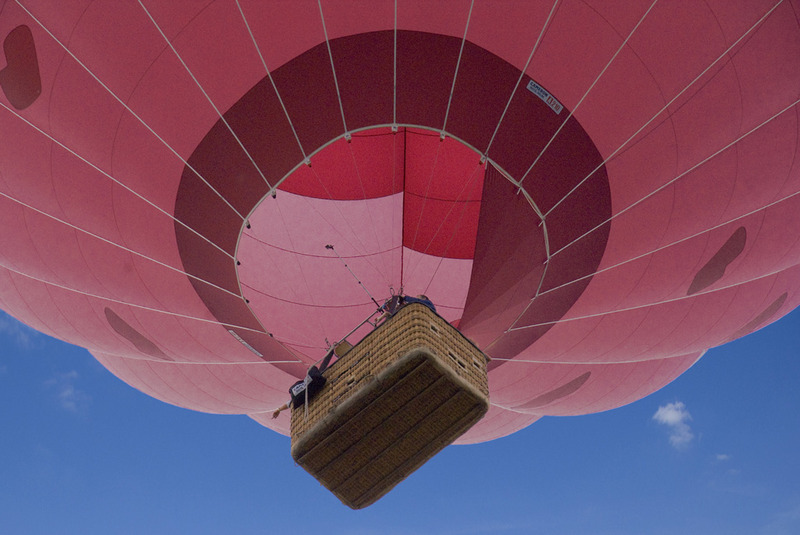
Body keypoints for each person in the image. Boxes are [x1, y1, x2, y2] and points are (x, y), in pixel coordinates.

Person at [271, 348, 334, 418]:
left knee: (319, 373)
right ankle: (331, 351)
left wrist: (279, 410)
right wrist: (279, 410)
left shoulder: (297, 397)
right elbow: (289, 403)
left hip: (313, 383)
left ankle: (331, 351)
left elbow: (289, 403)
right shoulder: (297, 394)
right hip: (314, 380)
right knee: (319, 372)